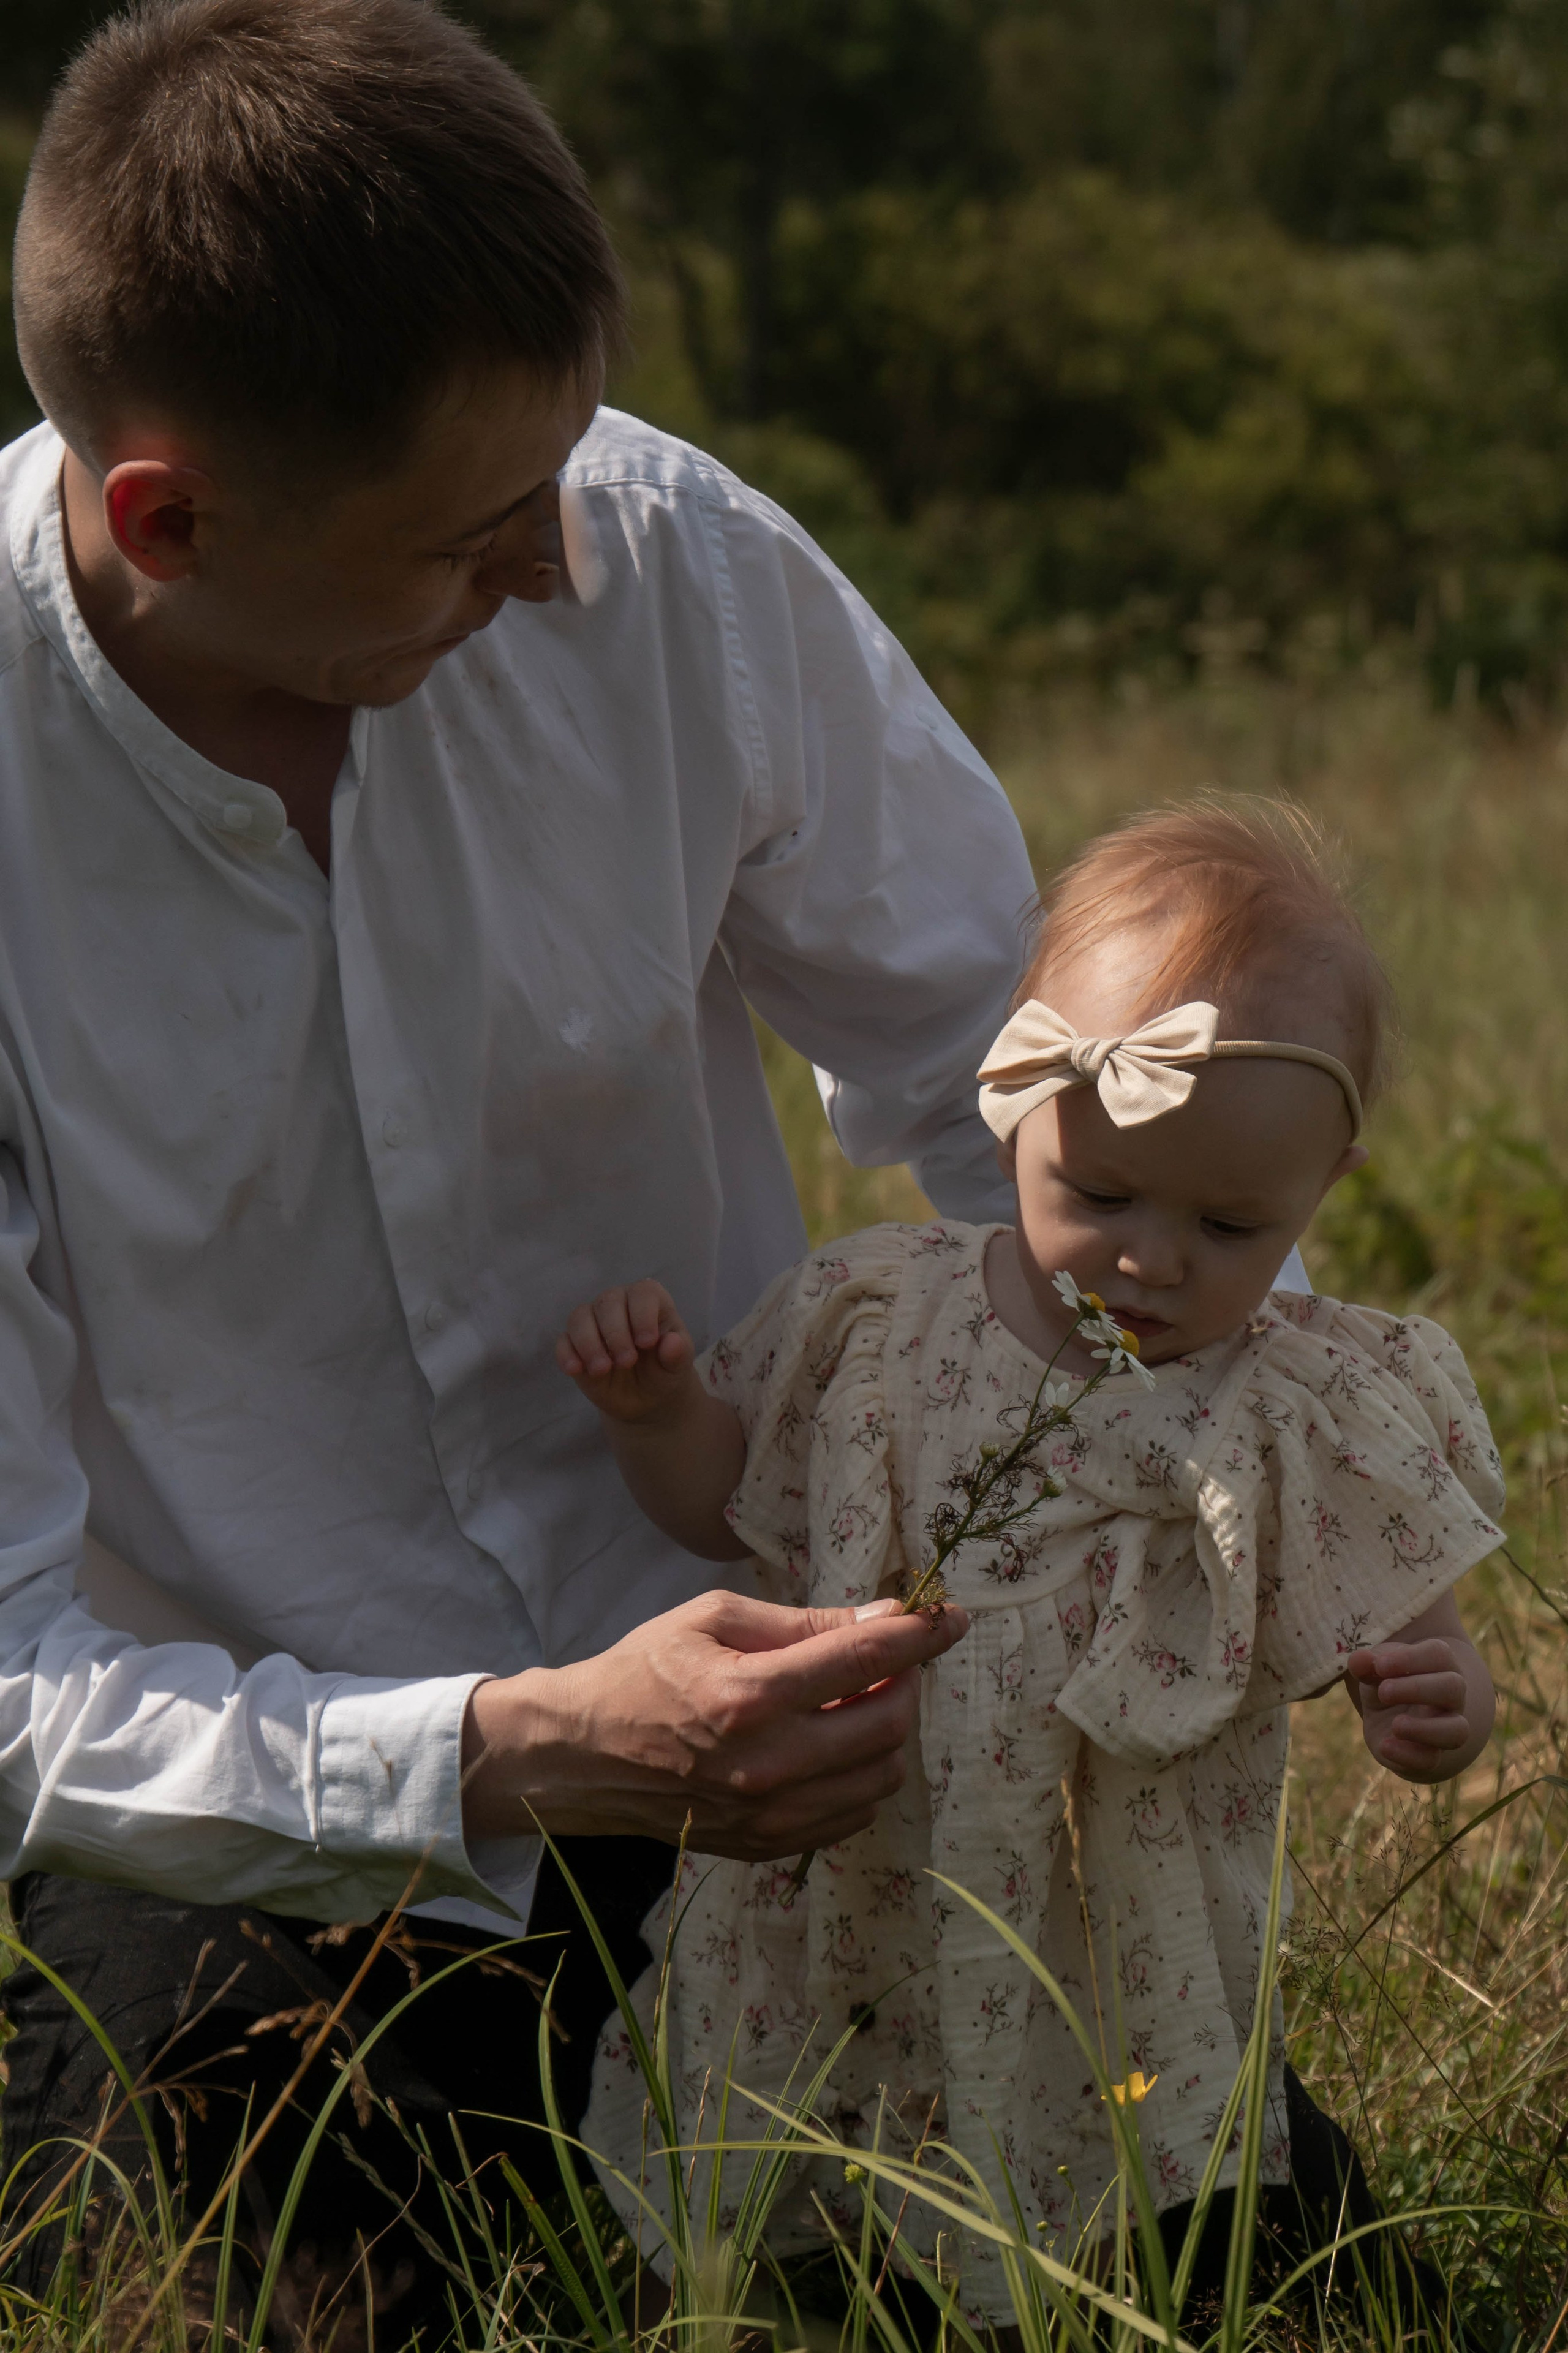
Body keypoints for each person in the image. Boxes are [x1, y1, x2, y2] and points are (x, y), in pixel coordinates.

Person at [0, 0, 1022, 2328]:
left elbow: (1006, 1081)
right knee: (391, 2289)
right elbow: (4, 1673)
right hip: (266, 1810)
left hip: (763, 1682)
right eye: (471, 537)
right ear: (168, 514)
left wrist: (1166, 1469)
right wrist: (530, 1751)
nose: (561, 570)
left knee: (1165, 2208)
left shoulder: (666, 556)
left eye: (558, 481)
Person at [564, 801, 1502, 2316]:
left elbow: (1419, 1628)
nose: (1150, 1257)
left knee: (1162, 2194)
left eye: (1225, 1222)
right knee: (818, 2156)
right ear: (1013, 1109)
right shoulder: (879, 1316)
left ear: (1324, 1188)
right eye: (1101, 1195)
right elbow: (731, 1505)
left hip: (1116, 1902)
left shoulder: (1302, 1400)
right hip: (851, 1858)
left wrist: (1434, 1706)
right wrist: (656, 1411)